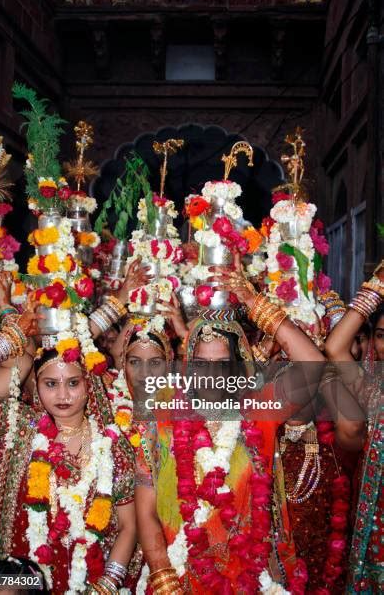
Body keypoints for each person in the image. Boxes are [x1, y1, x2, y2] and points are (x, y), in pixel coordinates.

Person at [134, 253, 326, 594]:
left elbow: (314, 365)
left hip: (250, 579)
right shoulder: (161, 418)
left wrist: (255, 303)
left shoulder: (259, 411)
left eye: (223, 363)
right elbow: (146, 510)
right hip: (179, 579)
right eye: (201, 363)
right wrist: (164, 577)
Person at [0, 310, 138, 594]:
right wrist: (8, 340)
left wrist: (107, 584)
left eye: (73, 383)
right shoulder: (20, 427)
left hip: (88, 581)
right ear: (36, 386)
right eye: (50, 384)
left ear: (89, 384)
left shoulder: (112, 444)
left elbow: (128, 526)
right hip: (19, 581)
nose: (63, 395)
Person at [325, 262, 383, 594]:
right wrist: (376, 287)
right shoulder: (373, 392)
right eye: (380, 336)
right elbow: (334, 348)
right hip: (373, 538)